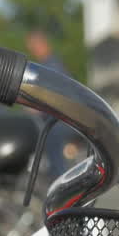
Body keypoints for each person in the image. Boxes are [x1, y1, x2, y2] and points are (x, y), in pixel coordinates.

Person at [25, 28, 81, 176]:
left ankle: (60, 178)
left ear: (42, 44)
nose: (33, 51)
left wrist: (37, 108)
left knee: (50, 137)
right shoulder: (50, 64)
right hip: (61, 118)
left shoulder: (51, 65)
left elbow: (56, 96)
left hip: (65, 120)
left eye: (34, 46)